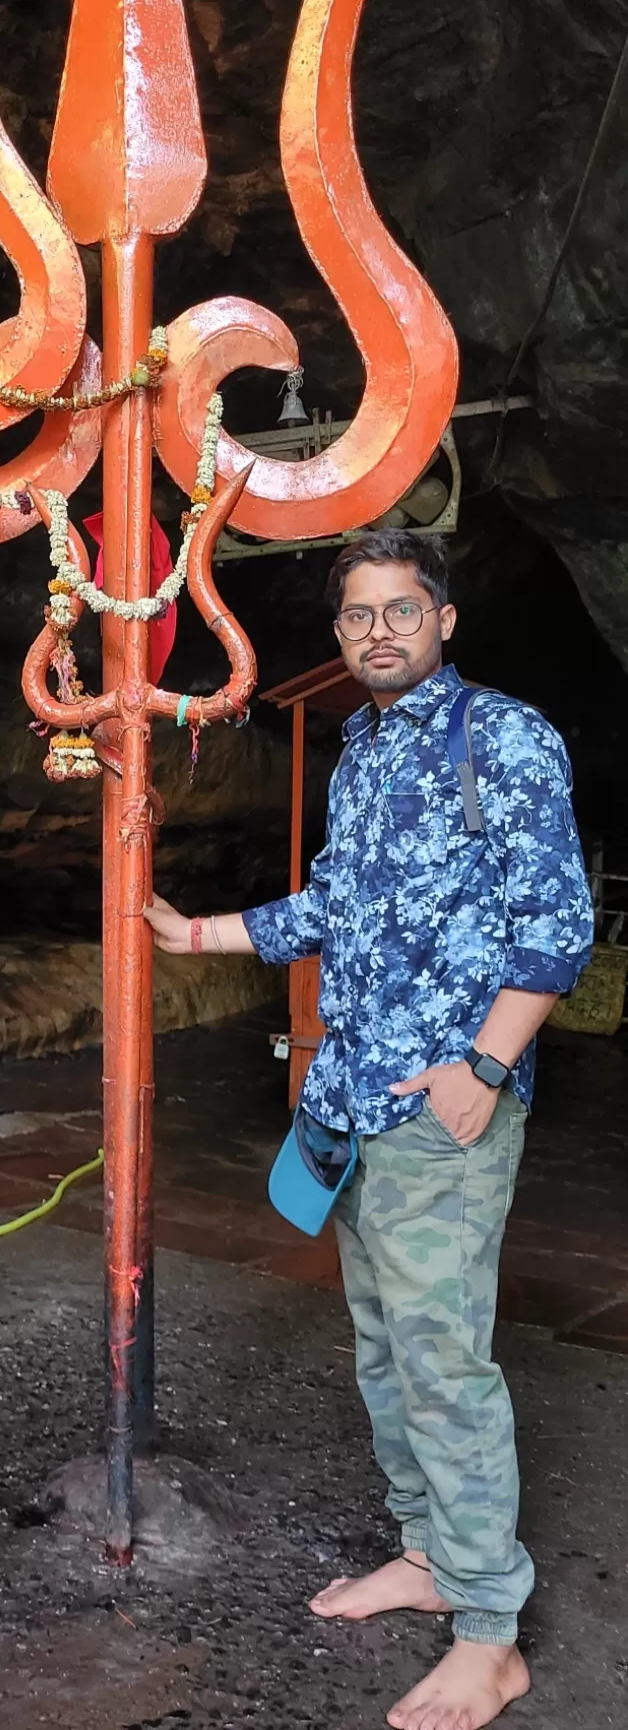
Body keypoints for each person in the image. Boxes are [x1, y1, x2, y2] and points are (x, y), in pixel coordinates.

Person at [145, 529, 593, 1730]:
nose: (378, 629)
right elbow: (339, 902)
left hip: (444, 1107)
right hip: (353, 1097)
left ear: (444, 619)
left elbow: (559, 926)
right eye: (358, 615)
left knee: (446, 1361)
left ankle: (492, 1629)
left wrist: (485, 1065)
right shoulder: (365, 744)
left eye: (402, 609)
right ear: (340, 634)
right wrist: (199, 936)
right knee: (389, 1347)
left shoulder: (501, 737)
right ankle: (432, 1552)